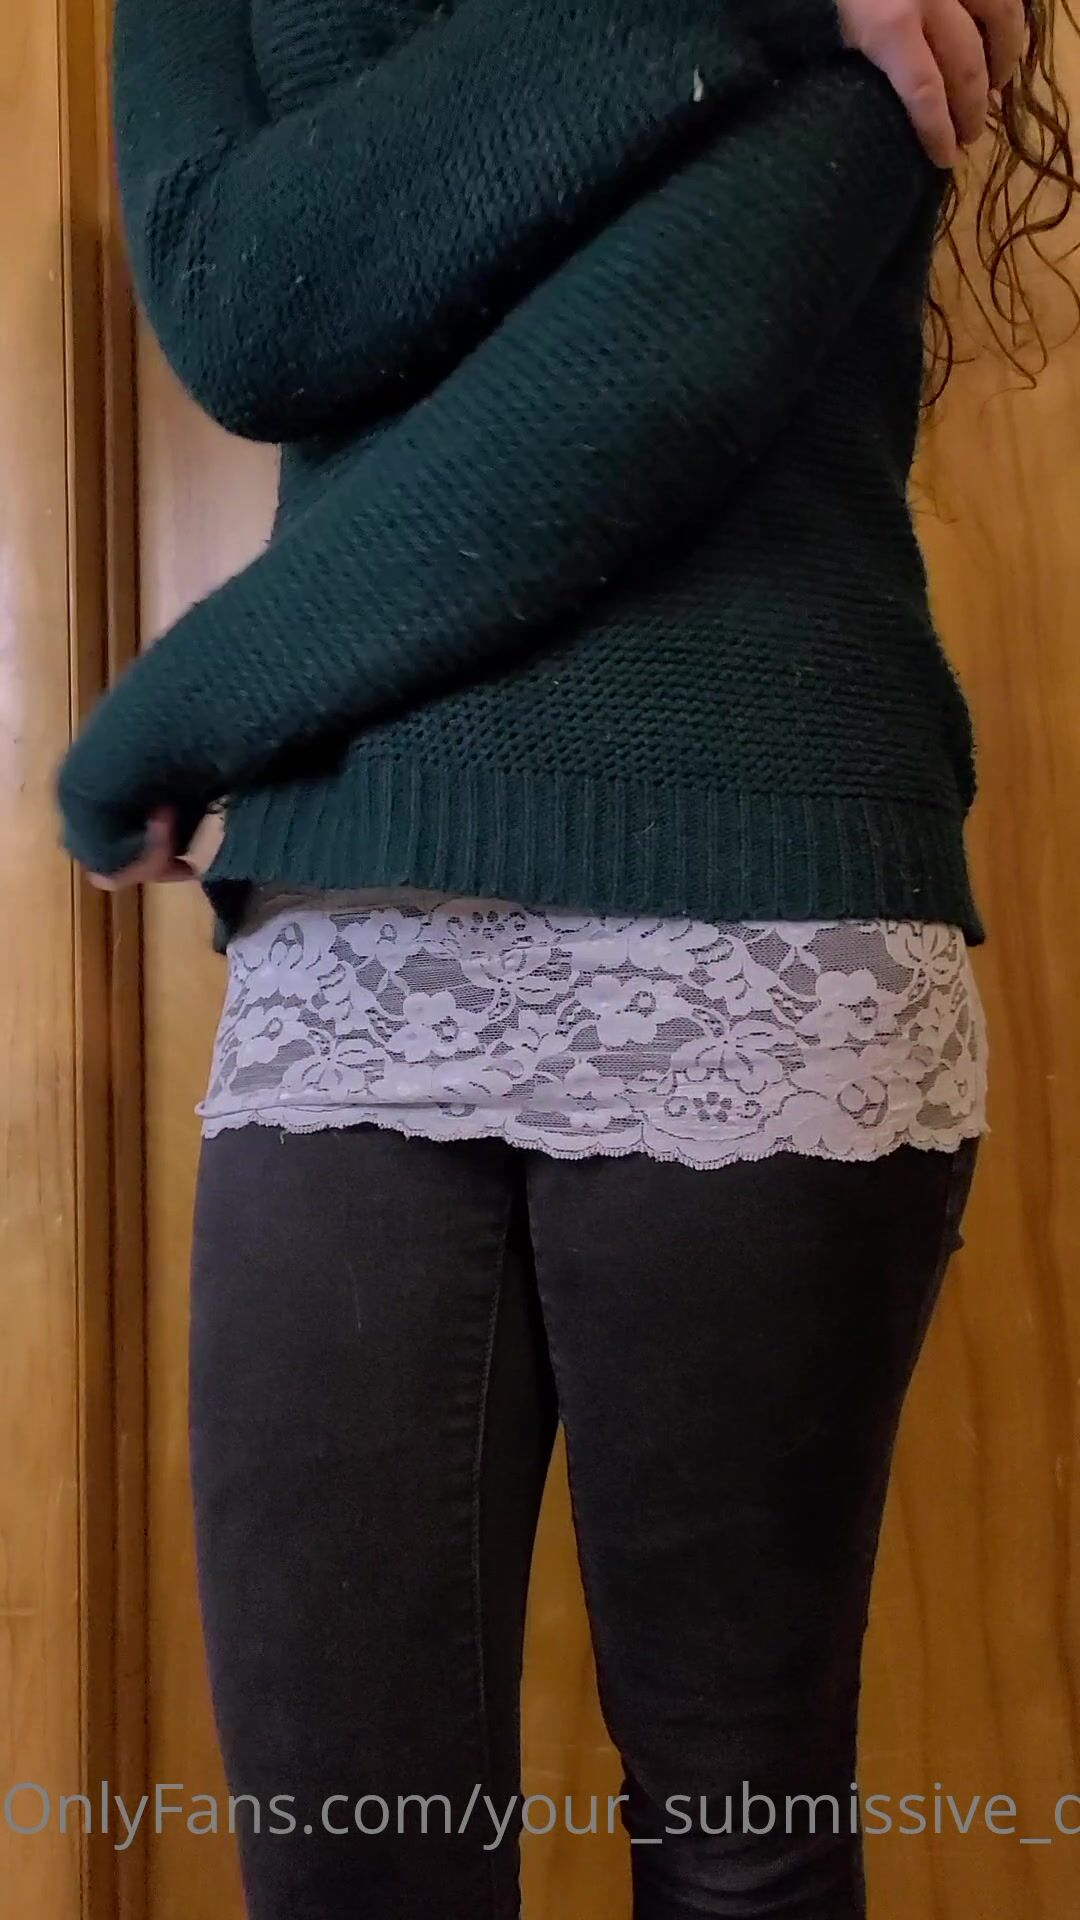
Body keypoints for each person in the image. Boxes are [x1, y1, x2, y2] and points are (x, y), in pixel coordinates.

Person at [56, 1, 1073, 1916]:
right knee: (347, 1853)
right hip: (361, 947)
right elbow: (249, 308)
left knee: (741, 1842)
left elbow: (651, 373)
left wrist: (176, 714)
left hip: (756, 910)